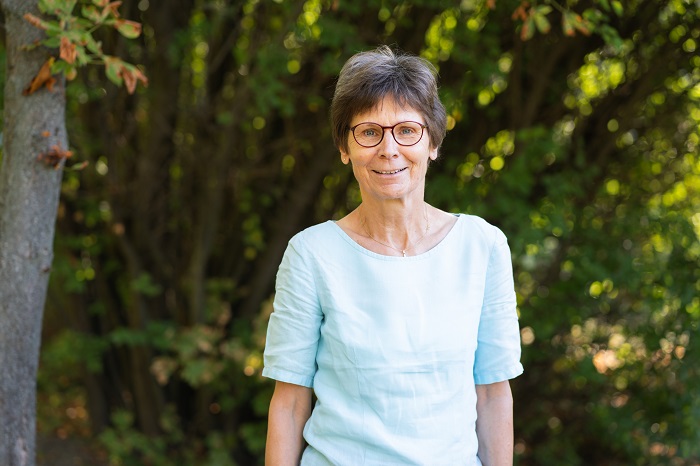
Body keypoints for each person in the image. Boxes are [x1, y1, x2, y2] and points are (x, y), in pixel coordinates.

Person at [263, 45, 523, 466]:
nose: (388, 148)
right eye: (369, 132)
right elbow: (290, 403)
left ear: (432, 142)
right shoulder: (311, 254)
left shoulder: (483, 246)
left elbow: (493, 393)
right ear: (344, 148)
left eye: (407, 130)